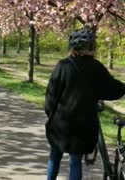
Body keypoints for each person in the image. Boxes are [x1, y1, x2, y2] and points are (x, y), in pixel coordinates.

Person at [45, 28, 125, 180]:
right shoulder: (96, 68)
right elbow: (112, 89)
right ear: (89, 47)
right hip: (82, 125)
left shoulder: (62, 66)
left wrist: (52, 116)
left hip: (60, 123)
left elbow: (50, 97)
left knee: (54, 157)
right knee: (75, 162)